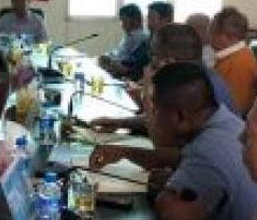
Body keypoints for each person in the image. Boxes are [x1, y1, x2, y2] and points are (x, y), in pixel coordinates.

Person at [90, 24, 239, 171]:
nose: (150, 63)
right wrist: (121, 123)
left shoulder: (194, 89)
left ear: (168, 61)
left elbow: (163, 145)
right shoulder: (199, 79)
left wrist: (147, 94)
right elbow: (167, 121)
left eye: (153, 55)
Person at [151, 63, 257, 220]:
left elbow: (172, 213)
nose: (241, 139)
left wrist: (166, 194)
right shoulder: (227, 120)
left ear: (179, 116)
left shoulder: (206, 150)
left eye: (156, 109)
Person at [210, 6, 257, 115]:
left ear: (230, 36)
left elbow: (234, 108)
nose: (210, 38)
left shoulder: (239, 63)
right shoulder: (236, 57)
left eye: (213, 33)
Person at [98, 4, 149, 81]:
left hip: (125, 70)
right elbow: (118, 51)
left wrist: (111, 61)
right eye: (121, 20)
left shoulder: (140, 37)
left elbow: (128, 58)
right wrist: (108, 57)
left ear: (135, 20)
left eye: (124, 20)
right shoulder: (129, 35)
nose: (122, 24)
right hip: (118, 65)